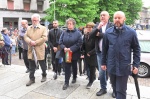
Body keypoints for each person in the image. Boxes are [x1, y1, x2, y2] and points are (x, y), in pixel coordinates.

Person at [101, 11, 140, 99]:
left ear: (124, 19)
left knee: (121, 90)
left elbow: (137, 49)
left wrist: (136, 64)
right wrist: (103, 62)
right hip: (112, 65)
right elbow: (104, 49)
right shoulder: (108, 32)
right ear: (113, 19)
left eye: (119, 18)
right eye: (115, 18)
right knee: (115, 88)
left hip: (124, 67)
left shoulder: (131, 32)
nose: (117, 20)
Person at [90, 11, 114, 97]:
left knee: (112, 71)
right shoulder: (97, 25)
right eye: (101, 15)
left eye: (104, 15)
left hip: (111, 53)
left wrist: (99, 34)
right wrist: (98, 28)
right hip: (100, 52)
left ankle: (114, 89)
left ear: (108, 17)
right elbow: (91, 35)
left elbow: (112, 36)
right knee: (101, 72)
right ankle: (103, 88)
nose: (102, 17)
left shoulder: (112, 25)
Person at [59, 18, 83, 90]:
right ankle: (66, 82)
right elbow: (60, 42)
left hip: (74, 53)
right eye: (68, 24)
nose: (69, 25)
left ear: (73, 24)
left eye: (70, 24)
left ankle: (74, 76)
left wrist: (71, 49)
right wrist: (64, 47)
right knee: (67, 67)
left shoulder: (78, 33)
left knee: (74, 65)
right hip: (66, 53)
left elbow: (79, 43)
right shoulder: (64, 32)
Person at [24, 13, 47, 86]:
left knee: (42, 64)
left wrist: (35, 42)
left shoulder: (43, 28)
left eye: (36, 20)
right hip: (31, 49)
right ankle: (31, 79)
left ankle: (44, 75)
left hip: (39, 49)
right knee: (31, 65)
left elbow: (44, 38)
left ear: (39, 20)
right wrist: (30, 41)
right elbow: (25, 37)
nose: (34, 22)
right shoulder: (28, 28)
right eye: (33, 20)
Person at [82, 22, 97, 89]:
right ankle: (92, 78)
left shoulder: (95, 36)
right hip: (86, 55)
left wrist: (90, 53)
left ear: (93, 28)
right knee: (88, 68)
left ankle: (90, 82)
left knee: (92, 68)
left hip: (93, 55)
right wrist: (83, 51)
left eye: (90, 27)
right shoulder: (86, 35)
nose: (88, 28)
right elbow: (83, 44)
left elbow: (97, 47)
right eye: (87, 27)